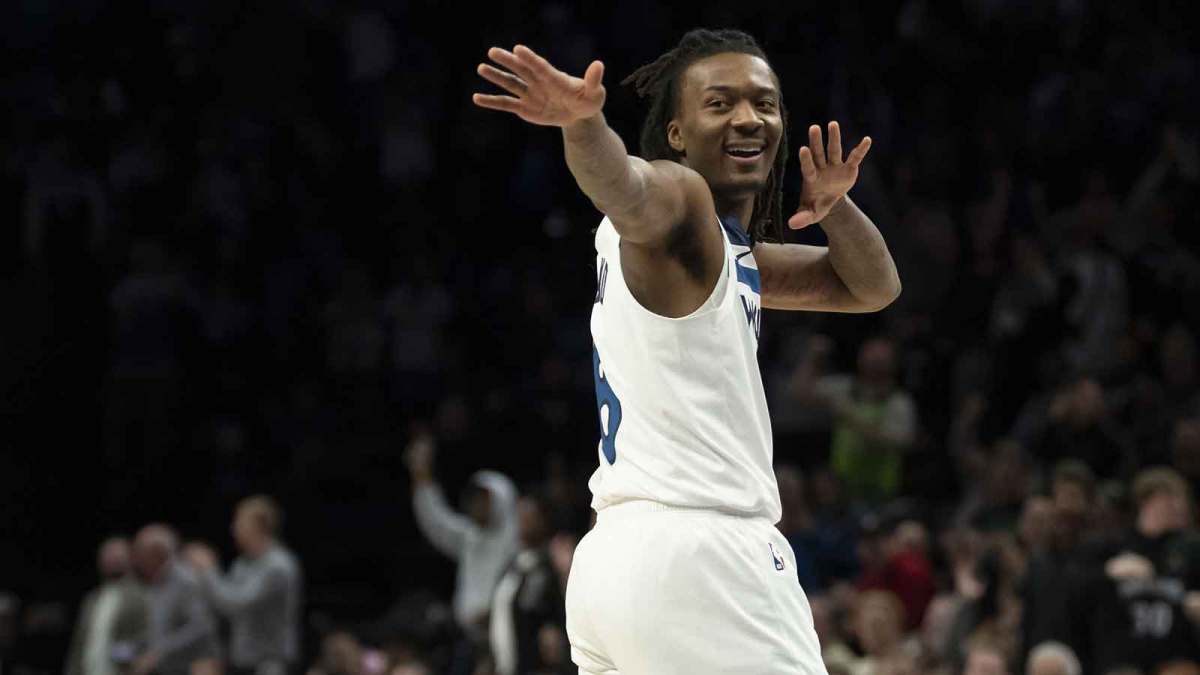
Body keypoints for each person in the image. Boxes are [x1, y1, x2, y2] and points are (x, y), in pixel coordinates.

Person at [472, 27, 899, 674]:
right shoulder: (681, 201)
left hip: (614, 562)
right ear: (675, 132)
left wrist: (835, 207)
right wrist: (584, 126)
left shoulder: (720, 254)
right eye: (720, 103)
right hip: (703, 555)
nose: (749, 116)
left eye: (765, 102)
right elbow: (631, 193)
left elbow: (872, 288)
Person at [403, 432, 518, 664]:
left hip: (505, 641)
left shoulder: (516, 542)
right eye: (474, 498)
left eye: (483, 499)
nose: (476, 505)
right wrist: (421, 476)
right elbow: (436, 521)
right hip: (466, 643)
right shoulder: (471, 537)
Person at [184, 495, 303, 675]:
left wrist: (209, 570)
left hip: (270, 663)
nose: (233, 529)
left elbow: (237, 604)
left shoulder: (279, 566)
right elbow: (220, 604)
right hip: (242, 661)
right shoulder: (242, 564)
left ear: (259, 526)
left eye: (239, 521)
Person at [488, 493, 566, 675]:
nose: (524, 520)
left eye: (531, 515)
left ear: (544, 519)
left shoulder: (552, 564)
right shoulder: (511, 566)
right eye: (520, 515)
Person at [131, 524, 221, 675]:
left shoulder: (186, 581)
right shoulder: (155, 583)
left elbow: (202, 626)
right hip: (166, 668)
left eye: (140, 553)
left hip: (192, 668)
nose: (136, 560)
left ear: (157, 553)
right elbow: (161, 630)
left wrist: (160, 651)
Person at [65, 536, 148, 675]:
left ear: (131, 559)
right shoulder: (92, 598)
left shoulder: (141, 595)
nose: (112, 560)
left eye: (117, 555)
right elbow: (79, 643)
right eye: (107, 555)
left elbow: (144, 638)